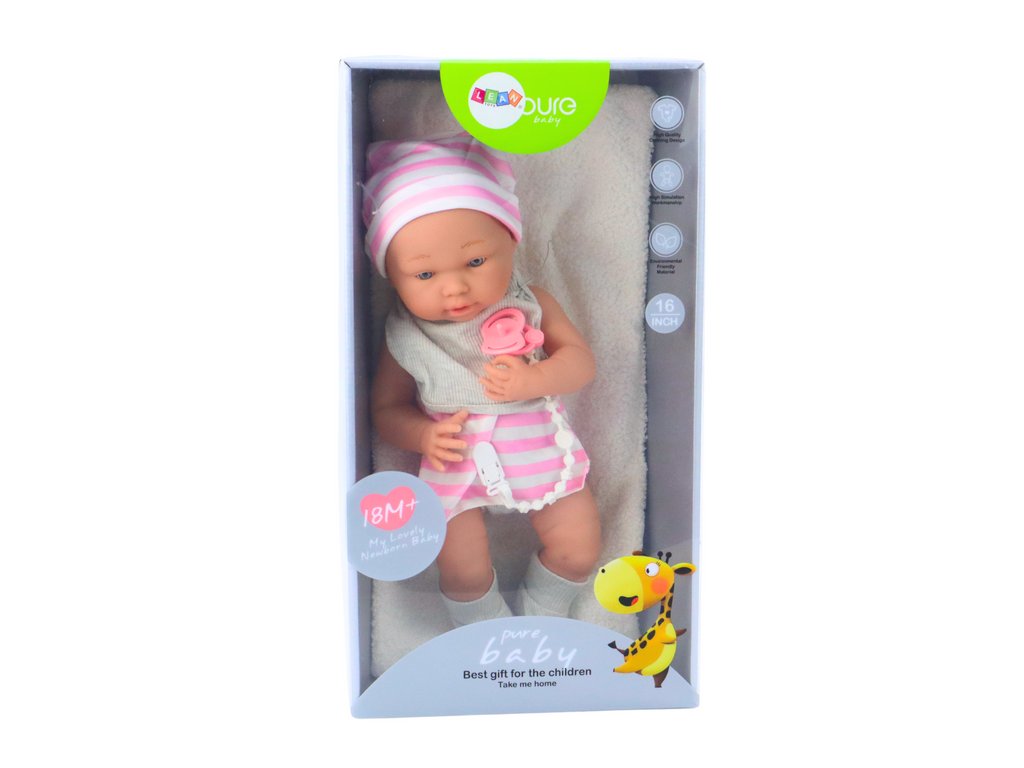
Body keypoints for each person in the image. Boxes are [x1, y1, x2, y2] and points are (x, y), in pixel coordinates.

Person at [364, 134, 602, 627]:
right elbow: (385, 410)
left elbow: (580, 363)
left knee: (579, 548)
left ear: (511, 242)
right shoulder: (404, 334)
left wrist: (535, 378)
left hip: (536, 451)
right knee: (462, 570)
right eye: (424, 275)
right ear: (391, 276)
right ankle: (484, 636)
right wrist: (422, 435)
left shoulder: (529, 301)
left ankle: (541, 620)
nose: (455, 287)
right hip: (455, 466)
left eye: (475, 262)